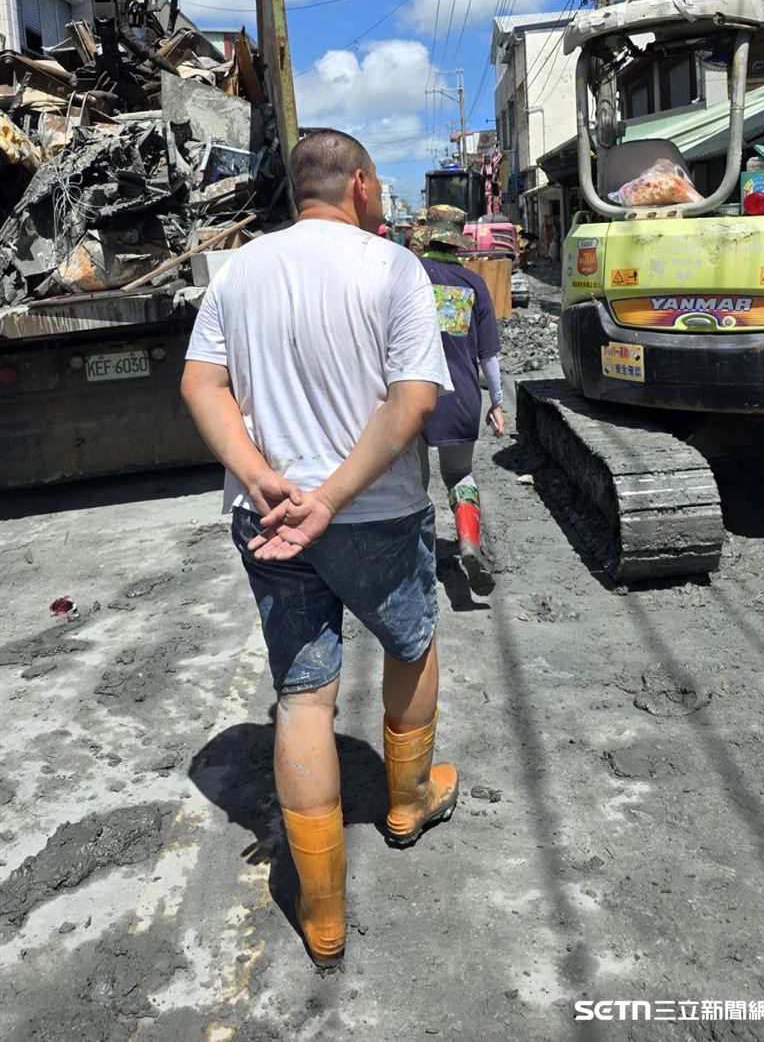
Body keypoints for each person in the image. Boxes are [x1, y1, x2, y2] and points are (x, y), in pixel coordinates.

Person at [181, 130, 458, 970]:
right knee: (411, 643)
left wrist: (261, 476)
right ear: (362, 185)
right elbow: (414, 400)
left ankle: (325, 916)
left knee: (303, 696)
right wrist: (331, 497)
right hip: (375, 513)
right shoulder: (393, 268)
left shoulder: (238, 272)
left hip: (269, 516)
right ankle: (408, 800)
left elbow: (200, 383)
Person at [414, 206, 505, 597]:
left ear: (427, 237)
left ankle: (417, 560)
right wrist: (497, 402)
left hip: (413, 395)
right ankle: (468, 542)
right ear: (458, 242)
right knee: (459, 474)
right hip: (462, 397)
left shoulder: (408, 276)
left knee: (414, 483)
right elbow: (489, 356)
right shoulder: (474, 284)